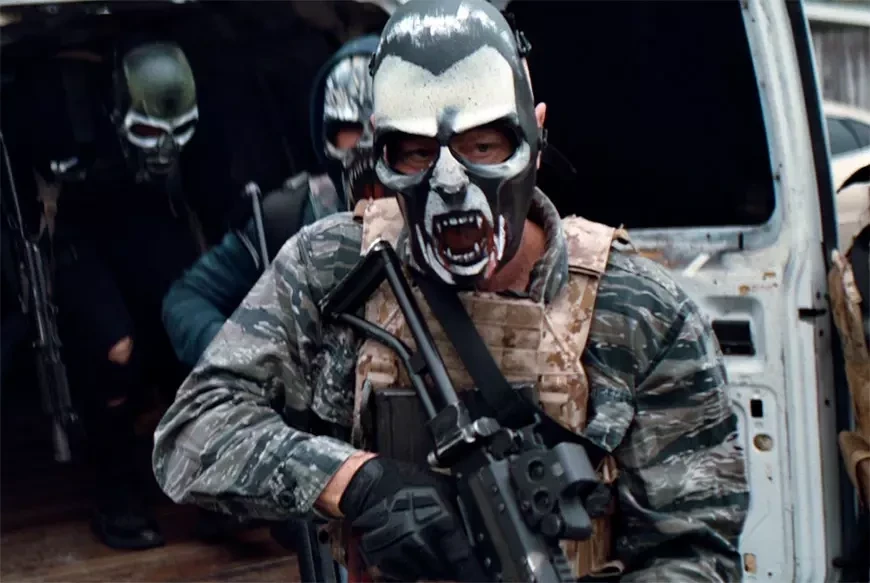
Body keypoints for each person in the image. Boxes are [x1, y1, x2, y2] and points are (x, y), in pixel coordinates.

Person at [153, 1, 750, 581]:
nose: (449, 182)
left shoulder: (641, 309)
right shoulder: (334, 264)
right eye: (416, 153)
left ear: (536, 133)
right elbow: (192, 431)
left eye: (482, 146)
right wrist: (357, 482)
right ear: (380, 152)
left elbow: (699, 551)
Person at [46, 40, 206, 551]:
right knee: (114, 350)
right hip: (84, 239)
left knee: (193, 337)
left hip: (155, 231)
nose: (163, 148)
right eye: (149, 133)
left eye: (175, 132)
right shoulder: (75, 129)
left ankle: (214, 477)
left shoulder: (190, 152)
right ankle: (115, 491)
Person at [161, 34, 383, 370]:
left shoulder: (449, 210)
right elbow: (186, 299)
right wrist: (245, 357)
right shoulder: (292, 214)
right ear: (326, 131)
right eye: (350, 126)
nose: (367, 141)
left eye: (384, 126)